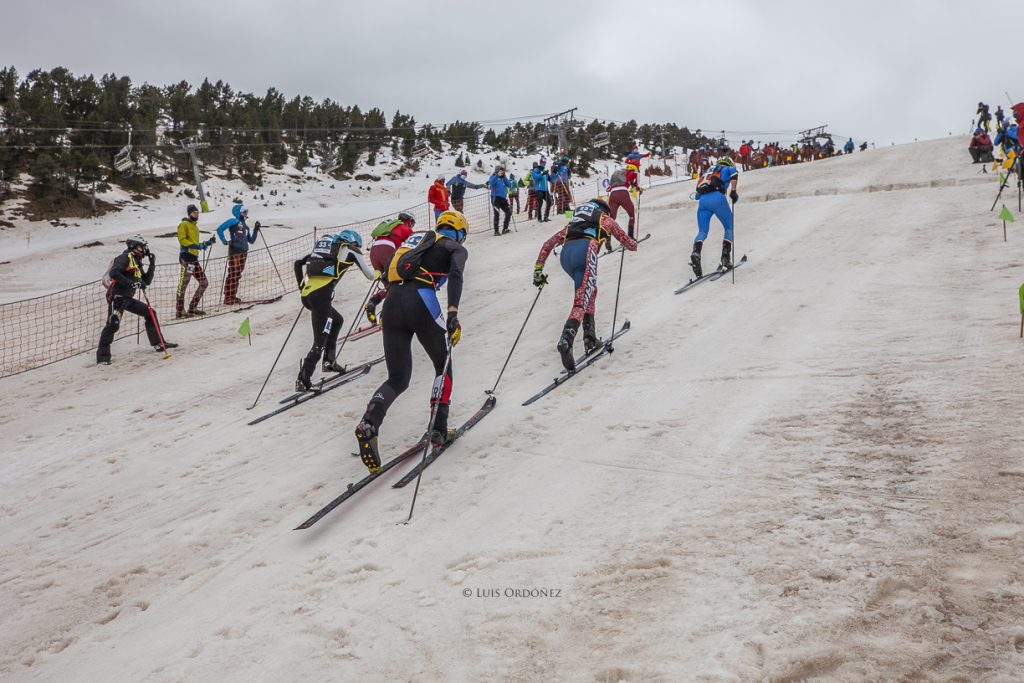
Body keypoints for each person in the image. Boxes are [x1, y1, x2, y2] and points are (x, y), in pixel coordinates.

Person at [355, 210, 470, 472]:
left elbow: (392, 275)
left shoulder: (415, 241)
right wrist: (453, 314)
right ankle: (439, 428)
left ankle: (369, 423)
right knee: (443, 364)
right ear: (460, 232)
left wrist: (376, 300)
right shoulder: (454, 247)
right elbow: (456, 275)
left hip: (392, 304)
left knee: (398, 377)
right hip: (421, 299)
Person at [533, 199, 637, 374]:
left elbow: (548, 245)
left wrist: (538, 269)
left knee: (590, 291)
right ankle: (566, 339)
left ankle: (590, 337)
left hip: (566, 257)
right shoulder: (604, 219)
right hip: (585, 251)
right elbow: (628, 242)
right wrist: (634, 243)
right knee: (581, 301)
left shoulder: (574, 223)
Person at [292, 230, 376, 391]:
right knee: (319, 341)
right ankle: (303, 379)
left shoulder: (324, 250)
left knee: (337, 320)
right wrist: (381, 273)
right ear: (354, 242)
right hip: (321, 296)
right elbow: (370, 275)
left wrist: (301, 286)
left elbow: (297, 263)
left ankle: (329, 361)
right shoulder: (351, 250)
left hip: (308, 295)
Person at [97, 235, 178, 363]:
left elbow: (146, 281)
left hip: (127, 298)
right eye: (142, 247)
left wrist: (152, 264)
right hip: (117, 297)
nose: (144, 249)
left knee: (150, 313)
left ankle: (158, 343)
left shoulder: (136, 261)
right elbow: (114, 273)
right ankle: (102, 358)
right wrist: (132, 283)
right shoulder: (125, 257)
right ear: (133, 246)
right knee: (113, 324)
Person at [690, 157, 739, 278]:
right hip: (718, 198)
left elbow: (697, 196)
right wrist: (733, 191)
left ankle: (696, 253)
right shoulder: (726, 168)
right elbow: (734, 174)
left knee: (702, 231)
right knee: (729, 227)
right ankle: (725, 258)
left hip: (703, 202)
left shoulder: (707, 172)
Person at [364, 212, 416, 325]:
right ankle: (384, 316)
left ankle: (372, 302)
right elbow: (415, 245)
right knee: (396, 284)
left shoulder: (391, 226)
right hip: (387, 249)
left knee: (389, 286)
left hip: (374, 251)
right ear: (408, 221)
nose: (411, 226)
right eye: (412, 223)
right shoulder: (405, 228)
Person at [175, 204, 217, 318]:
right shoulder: (183, 225)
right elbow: (183, 241)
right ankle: (180, 311)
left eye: (197, 212)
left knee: (204, 283)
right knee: (183, 285)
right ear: (189, 213)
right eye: (194, 213)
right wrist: (198, 246)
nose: (196, 214)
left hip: (194, 260)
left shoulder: (195, 227)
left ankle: (192, 307)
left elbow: (195, 243)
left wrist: (208, 242)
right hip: (186, 258)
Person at [216, 203, 259, 305]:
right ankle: (228, 297)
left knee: (237, 274)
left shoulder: (246, 227)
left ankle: (232, 296)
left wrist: (256, 229)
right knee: (233, 273)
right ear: (239, 212)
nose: (246, 213)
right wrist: (224, 241)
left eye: (246, 211)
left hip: (244, 252)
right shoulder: (234, 221)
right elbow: (220, 229)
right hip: (235, 251)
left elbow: (251, 240)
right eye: (244, 211)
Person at [606, 168, 637, 238]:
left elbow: (607, 189)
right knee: (631, 215)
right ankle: (630, 237)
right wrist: (637, 186)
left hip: (613, 195)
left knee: (611, 218)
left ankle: (607, 238)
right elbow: (635, 179)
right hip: (623, 194)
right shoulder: (630, 173)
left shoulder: (614, 175)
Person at [488, 166, 513, 235]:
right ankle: (496, 231)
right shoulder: (493, 176)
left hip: (503, 198)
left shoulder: (502, 178)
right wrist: (497, 175)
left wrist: (504, 177)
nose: (502, 172)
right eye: (500, 171)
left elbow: (509, 184)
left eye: (503, 171)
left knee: (508, 212)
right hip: (495, 198)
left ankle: (505, 228)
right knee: (497, 214)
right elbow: (491, 183)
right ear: (497, 171)